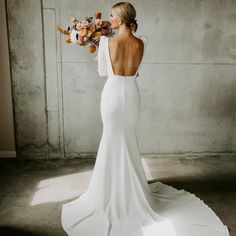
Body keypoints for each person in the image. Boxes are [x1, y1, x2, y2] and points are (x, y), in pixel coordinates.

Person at [61, 2, 230, 235]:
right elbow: (136, 71)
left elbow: (103, 71)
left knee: (111, 139)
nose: (109, 19)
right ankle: (131, 191)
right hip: (131, 94)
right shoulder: (142, 42)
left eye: (112, 16)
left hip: (112, 95)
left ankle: (110, 193)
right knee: (128, 139)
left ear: (120, 20)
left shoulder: (105, 42)